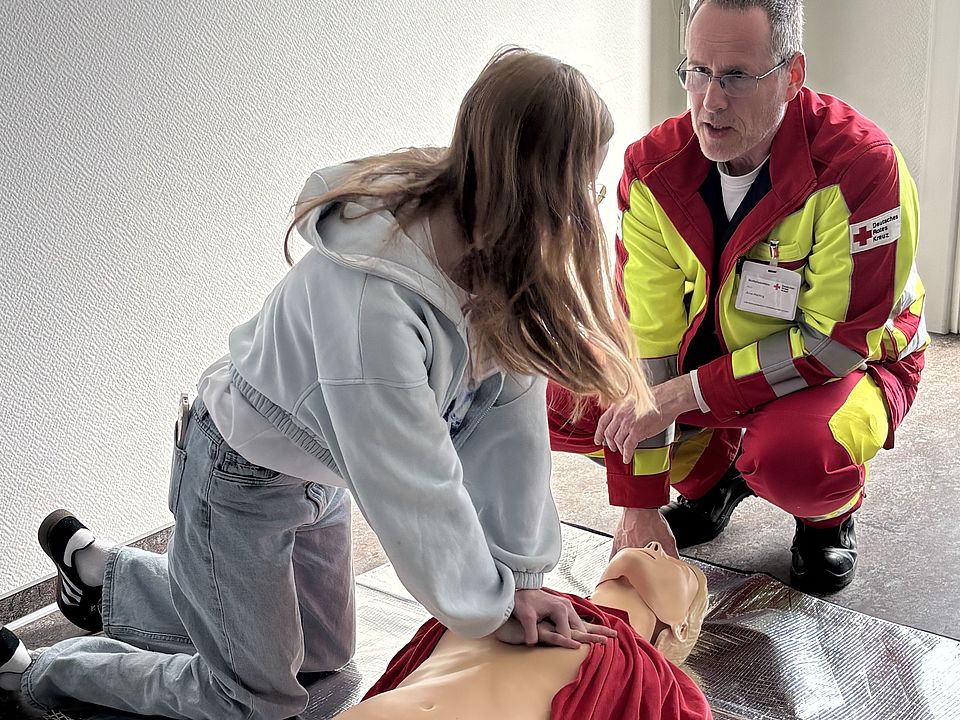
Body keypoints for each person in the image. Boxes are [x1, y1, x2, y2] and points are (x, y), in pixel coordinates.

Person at [0, 47, 652, 719]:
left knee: (323, 663)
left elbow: (508, 420)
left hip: (319, 473)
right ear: (538, 184)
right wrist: (490, 609)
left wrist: (520, 576)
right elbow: (415, 488)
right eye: (583, 183)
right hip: (238, 479)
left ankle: (102, 578)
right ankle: (35, 676)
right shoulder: (377, 304)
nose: (584, 205)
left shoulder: (491, 239)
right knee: (257, 701)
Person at [548, 0, 927, 594]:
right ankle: (712, 480)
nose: (710, 101)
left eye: (735, 77)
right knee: (566, 399)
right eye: (697, 71)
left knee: (794, 452)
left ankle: (825, 519)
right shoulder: (653, 169)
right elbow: (647, 335)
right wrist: (641, 503)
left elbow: (833, 345)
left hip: (847, 365)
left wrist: (682, 396)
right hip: (718, 355)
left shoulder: (860, 169)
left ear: (792, 75)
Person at [336, 542, 711, 720]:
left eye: (682, 568)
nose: (656, 546)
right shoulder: (501, 600)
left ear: (677, 629)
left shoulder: (654, 683)